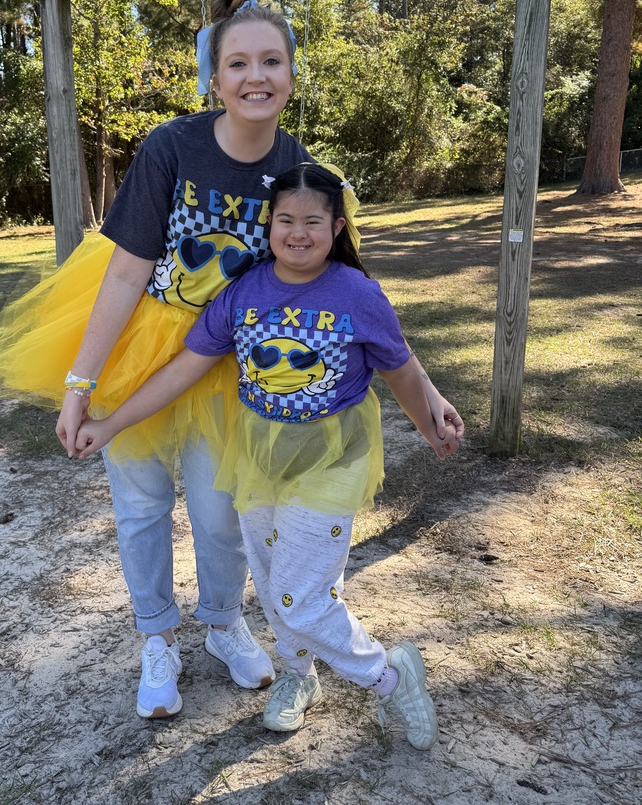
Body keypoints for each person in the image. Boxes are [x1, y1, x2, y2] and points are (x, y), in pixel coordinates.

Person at [0, 0, 463, 723]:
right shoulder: (172, 145)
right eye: (238, 64)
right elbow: (127, 267)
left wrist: (426, 399)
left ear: (292, 76)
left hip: (234, 353)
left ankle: (222, 620)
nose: (255, 77)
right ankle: (155, 637)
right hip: (146, 342)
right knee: (141, 506)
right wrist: (81, 383)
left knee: (219, 512)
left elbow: (349, 285)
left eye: (271, 62)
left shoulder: (299, 160)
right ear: (215, 74)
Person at [72, 162, 461, 750]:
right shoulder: (242, 293)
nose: (297, 232)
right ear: (267, 224)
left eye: (313, 221)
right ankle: (299, 677)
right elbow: (184, 368)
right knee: (274, 578)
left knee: (300, 597)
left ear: (337, 228)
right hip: (257, 459)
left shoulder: (357, 294)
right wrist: (112, 422)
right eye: (284, 220)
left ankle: (388, 676)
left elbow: (400, 368)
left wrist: (430, 424)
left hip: (330, 460)